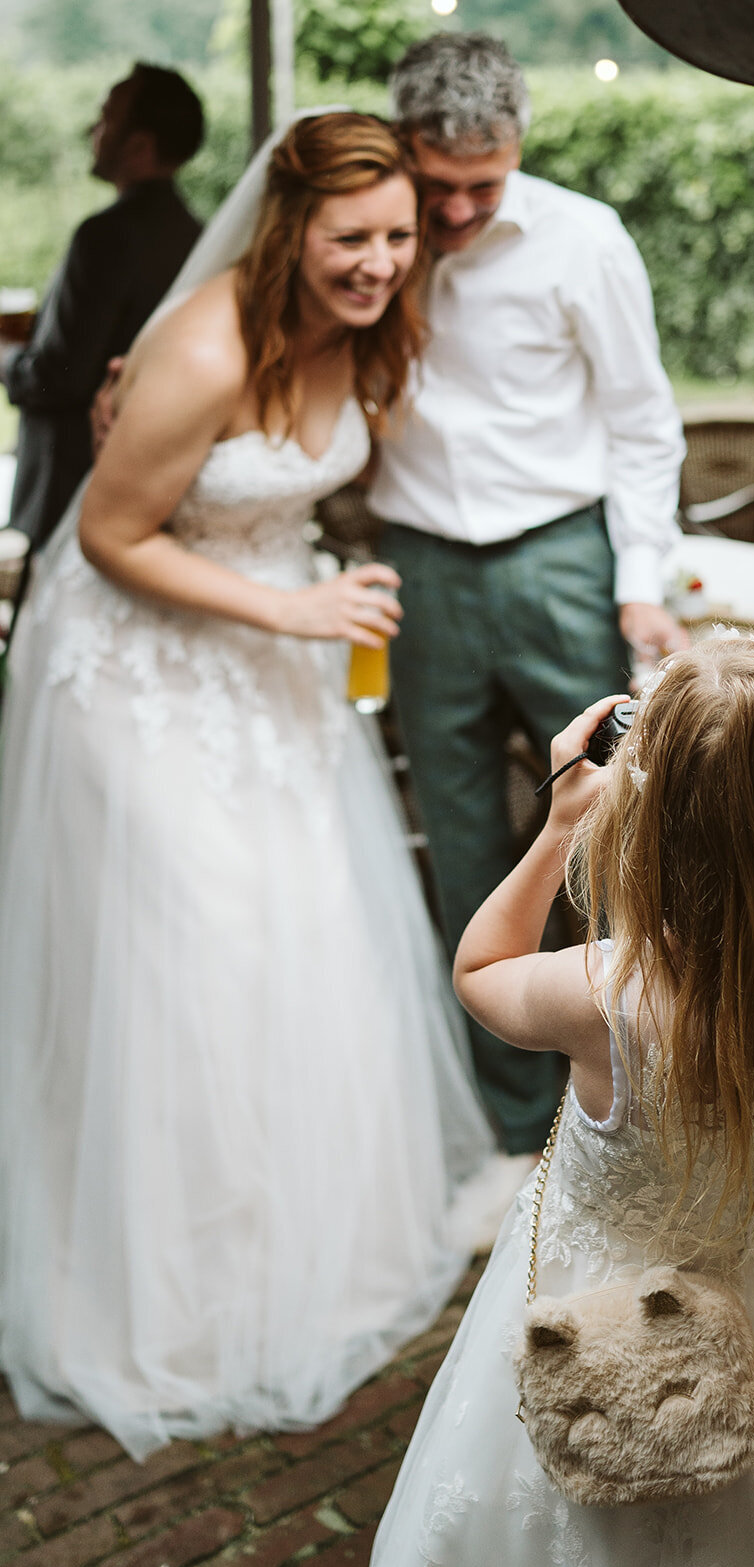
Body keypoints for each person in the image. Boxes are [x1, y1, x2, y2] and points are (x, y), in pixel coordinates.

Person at [0, 111, 496, 1462]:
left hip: (282, 659)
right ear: (291, 230)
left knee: (300, 949)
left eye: (398, 237)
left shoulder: (377, 324)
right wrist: (289, 612)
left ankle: (291, 1243)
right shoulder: (211, 338)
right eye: (354, 238)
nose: (382, 262)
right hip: (142, 682)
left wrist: (311, 595)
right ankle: (165, 1284)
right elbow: (106, 536)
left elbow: (308, 474)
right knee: (187, 959)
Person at [357, 636, 754, 1567]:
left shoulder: (607, 993)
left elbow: (478, 971)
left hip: (598, 1293)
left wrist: (561, 820)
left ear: (650, 817)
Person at [367, 33, 688, 1164]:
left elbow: (644, 421)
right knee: (461, 841)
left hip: (561, 557)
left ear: (517, 150)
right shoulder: (370, 232)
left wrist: (640, 585)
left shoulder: (581, 238)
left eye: (480, 185)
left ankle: (625, 1095)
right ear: (401, 144)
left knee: (609, 832)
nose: (454, 210)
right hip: (419, 569)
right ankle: (510, 1129)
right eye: (435, 182)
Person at [0, 63, 205, 550]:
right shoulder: (194, 233)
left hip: (73, 481)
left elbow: (61, 378)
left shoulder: (105, 235)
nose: (92, 130)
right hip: (152, 483)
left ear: (139, 143)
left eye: (106, 118)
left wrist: (8, 356)